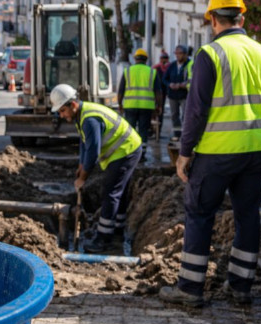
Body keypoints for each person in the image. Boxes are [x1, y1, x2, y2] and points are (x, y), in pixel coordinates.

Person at [159, 0, 261, 307]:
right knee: (247, 215)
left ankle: (190, 288)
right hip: (255, 150)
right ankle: (240, 286)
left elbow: (196, 110)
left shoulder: (210, 54)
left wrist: (185, 153)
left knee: (200, 214)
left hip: (217, 152)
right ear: (242, 18)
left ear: (213, 20)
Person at [51, 83, 143, 253]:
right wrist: (80, 165)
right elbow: (84, 143)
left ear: (72, 104)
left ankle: (103, 240)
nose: (61, 115)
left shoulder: (89, 119)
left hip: (126, 150)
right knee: (118, 193)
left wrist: (82, 178)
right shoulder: (82, 115)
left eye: (62, 111)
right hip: (125, 149)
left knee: (111, 193)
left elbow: (93, 152)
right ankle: (117, 233)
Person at [118, 49, 162, 149]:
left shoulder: (128, 71)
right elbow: (158, 92)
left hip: (130, 106)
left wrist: (120, 104)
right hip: (146, 107)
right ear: (146, 60)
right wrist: (159, 106)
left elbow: (121, 90)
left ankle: (131, 150)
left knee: (130, 129)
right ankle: (142, 152)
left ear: (135, 59)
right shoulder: (152, 72)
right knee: (143, 130)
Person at [163, 45, 191, 141]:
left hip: (184, 95)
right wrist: (170, 84)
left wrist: (182, 85)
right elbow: (164, 79)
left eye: (180, 53)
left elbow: (191, 79)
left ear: (185, 54)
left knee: (185, 116)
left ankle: (185, 135)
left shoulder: (189, 65)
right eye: (176, 53)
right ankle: (177, 134)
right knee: (174, 115)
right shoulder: (172, 65)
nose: (178, 56)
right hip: (173, 95)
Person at [153, 50, 171, 140]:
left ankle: (158, 131)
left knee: (161, 111)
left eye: (165, 58)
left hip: (166, 91)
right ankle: (155, 131)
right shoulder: (155, 68)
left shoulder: (170, 67)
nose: (164, 60)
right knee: (156, 112)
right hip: (156, 92)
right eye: (162, 58)